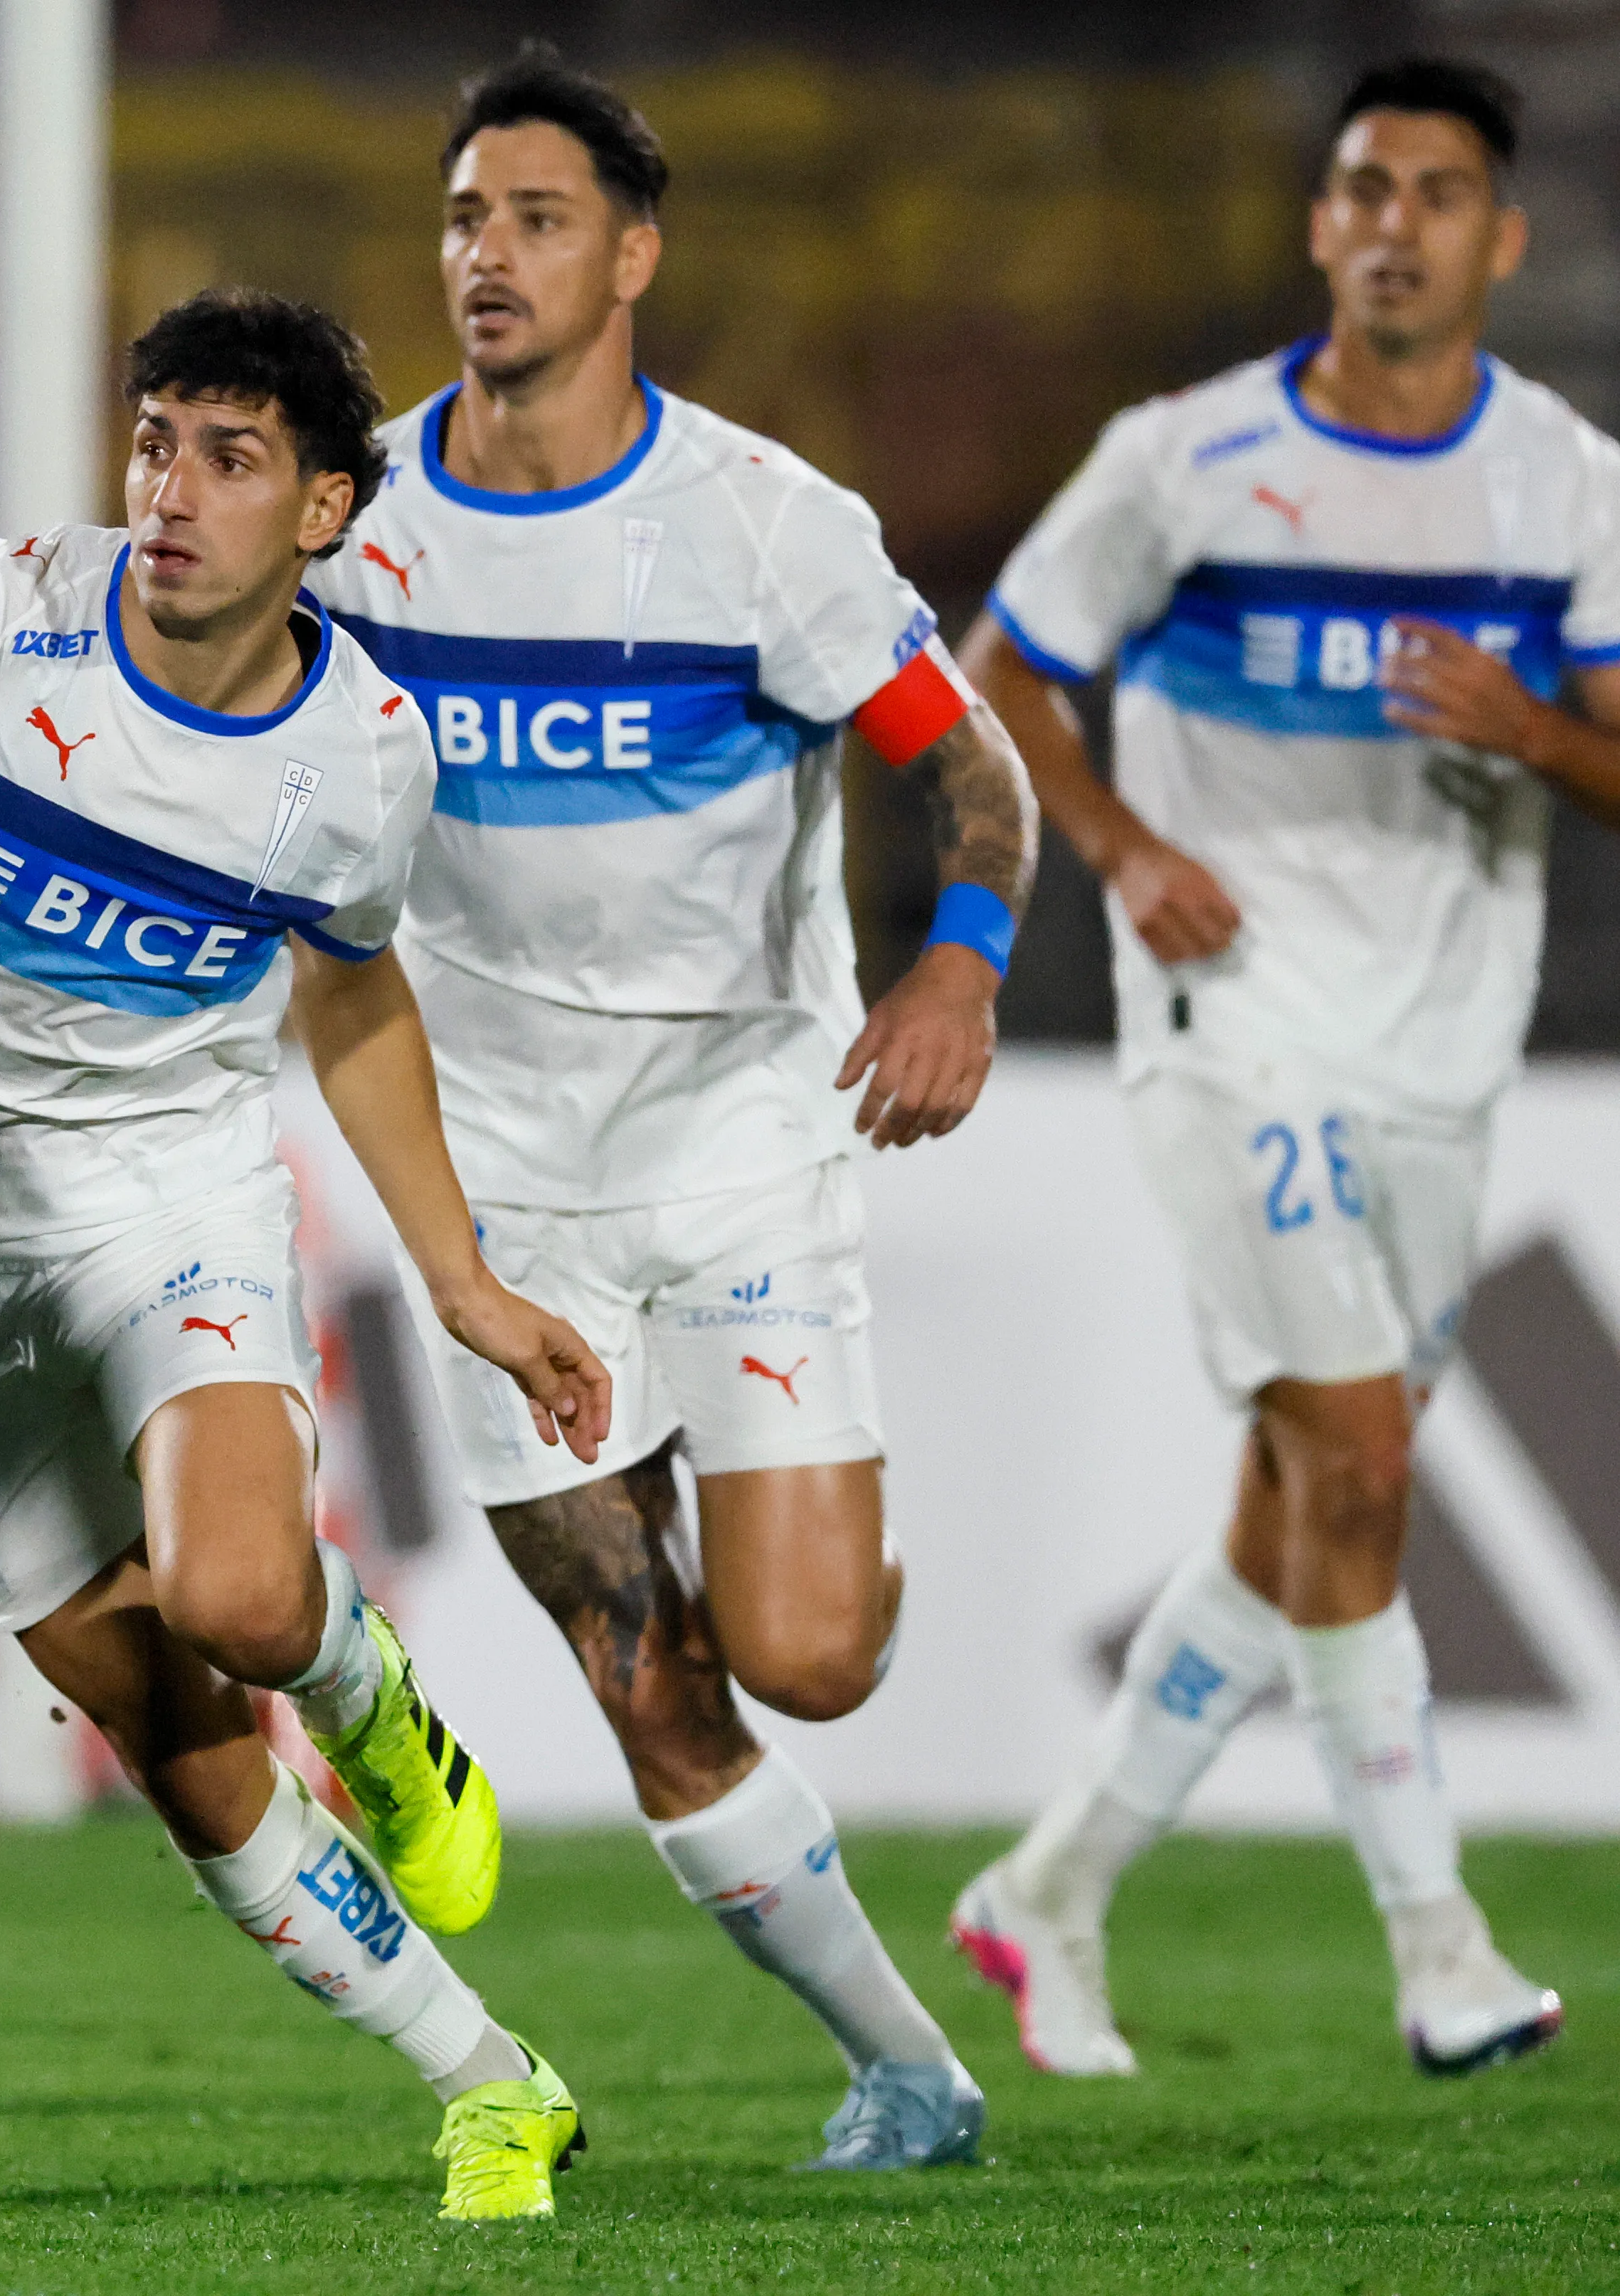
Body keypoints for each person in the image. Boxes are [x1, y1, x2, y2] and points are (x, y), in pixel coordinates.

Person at [0, 287, 617, 2225]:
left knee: (233, 1590)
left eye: (232, 457)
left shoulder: (365, 748)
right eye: (157, 441)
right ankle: (489, 2076)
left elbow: (357, 993)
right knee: (173, 1733)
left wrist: (462, 1276)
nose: (174, 491)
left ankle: (366, 1686)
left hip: (172, 1199)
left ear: (322, 511)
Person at [303, 48, 1040, 2171]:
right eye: (460, 219)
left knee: (799, 1657)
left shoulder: (759, 526)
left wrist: (957, 956)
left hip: (733, 1132)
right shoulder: (356, 522)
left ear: (629, 254)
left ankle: (832, 1560)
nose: (484, 256)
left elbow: (965, 767)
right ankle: (905, 2065)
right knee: (644, 1670)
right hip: (490, 1165)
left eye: (532, 219)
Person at [951, 55, 1605, 2080]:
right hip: (1236, 1033)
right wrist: (1131, 854)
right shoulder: (1189, 459)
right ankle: (1439, 1942)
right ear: (1320, 226)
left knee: (1300, 1499)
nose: (1394, 220)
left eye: (1436, 190)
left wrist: (1533, 732)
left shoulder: (1565, 480)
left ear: (1500, 237)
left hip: (1443, 1042)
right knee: (1366, 1459)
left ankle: (1046, 1888)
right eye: (1361, 187)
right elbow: (999, 679)